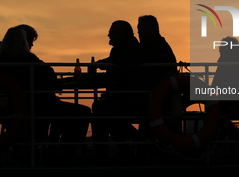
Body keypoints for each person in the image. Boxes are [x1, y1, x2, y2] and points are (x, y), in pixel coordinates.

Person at [0, 26, 91, 165]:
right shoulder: (28, 59)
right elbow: (49, 76)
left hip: (13, 109)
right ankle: (68, 153)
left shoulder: (4, 61)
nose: (32, 45)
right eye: (29, 41)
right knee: (83, 112)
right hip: (39, 106)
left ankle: (54, 151)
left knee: (60, 114)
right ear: (24, 42)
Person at [91, 20, 143, 163]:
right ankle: (119, 151)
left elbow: (121, 62)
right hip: (122, 98)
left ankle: (102, 154)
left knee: (100, 109)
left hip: (130, 100)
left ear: (122, 34)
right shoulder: (122, 49)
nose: (109, 35)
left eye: (112, 32)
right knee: (101, 109)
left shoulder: (131, 48)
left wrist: (102, 63)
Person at [211, 36, 239, 140]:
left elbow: (215, 85)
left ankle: (233, 138)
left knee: (214, 112)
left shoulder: (224, 62)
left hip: (229, 104)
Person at [136, 15, 177, 89]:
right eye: (138, 29)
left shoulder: (154, 46)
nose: (139, 32)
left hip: (156, 89)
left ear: (153, 29)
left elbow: (134, 58)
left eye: (143, 28)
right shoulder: (159, 44)